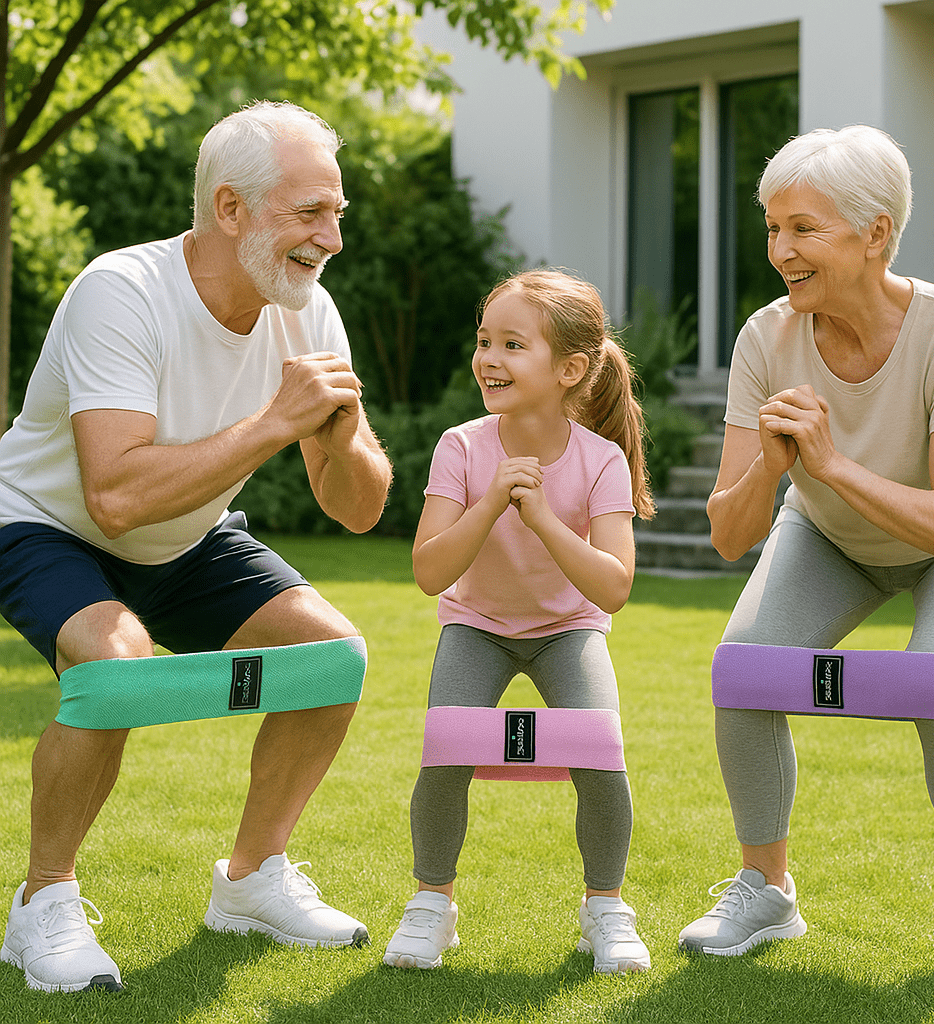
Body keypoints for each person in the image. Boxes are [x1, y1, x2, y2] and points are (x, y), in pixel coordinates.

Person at [0, 100, 392, 993]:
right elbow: (115, 495)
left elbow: (359, 511)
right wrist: (276, 422)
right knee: (115, 666)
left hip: (185, 535)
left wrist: (345, 437)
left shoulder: (306, 309)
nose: (332, 238)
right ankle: (42, 903)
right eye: (310, 212)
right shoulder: (121, 292)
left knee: (332, 658)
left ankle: (251, 880)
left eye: (337, 213)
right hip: (43, 522)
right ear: (230, 208)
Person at [677, 125, 934, 980]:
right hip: (832, 533)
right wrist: (771, 466)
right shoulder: (766, 338)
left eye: (804, 228)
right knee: (743, 670)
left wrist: (829, 464)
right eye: (772, 228)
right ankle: (766, 889)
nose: (780, 251)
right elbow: (728, 534)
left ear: (876, 234)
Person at [381, 269, 654, 974]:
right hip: (477, 625)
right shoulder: (462, 447)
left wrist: (543, 519)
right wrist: (491, 502)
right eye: (484, 341)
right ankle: (432, 904)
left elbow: (614, 587)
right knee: (446, 750)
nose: (489, 359)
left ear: (570, 370)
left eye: (512, 344)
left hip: (569, 630)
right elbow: (430, 571)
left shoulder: (602, 461)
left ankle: (605, 908)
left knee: (600, 755)